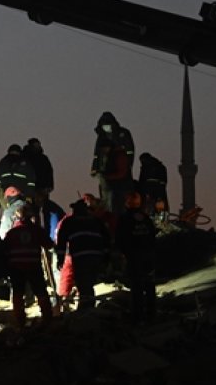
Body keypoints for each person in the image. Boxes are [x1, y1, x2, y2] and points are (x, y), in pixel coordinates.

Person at [2, 203, 55, 328]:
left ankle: (20, 321)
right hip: (34, 265)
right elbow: (49, 245)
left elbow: (4, 249)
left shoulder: (11, 232)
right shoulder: (36, 230)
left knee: (18, 294)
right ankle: (47, 317)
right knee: (40, 291)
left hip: (16, 268)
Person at [55, 199, 111, 311]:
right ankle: (88, 306)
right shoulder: (96, 221)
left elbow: (61, 242)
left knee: (83, 283)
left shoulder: (69, 222)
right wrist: (106, 258)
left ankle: (86, 309)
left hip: (80, 256)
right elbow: (107, 239)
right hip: (96, 256)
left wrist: (60, 259)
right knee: (88, 282)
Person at [115, 191, 158, 323]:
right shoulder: (146, 219)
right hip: (148, 258)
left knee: (137, 287)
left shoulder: (124, 219)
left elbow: (120, 239)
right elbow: (152, 237)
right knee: (149, 285)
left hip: (134, 258)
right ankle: (152, 314)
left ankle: (137, 316)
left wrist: (124, 254)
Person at [91, 111, 135, 215]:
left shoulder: (123, 134)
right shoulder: (101, 137)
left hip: (119, 177)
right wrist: (95, 168)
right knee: (107, 200)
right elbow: (97, 154)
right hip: (106, 174)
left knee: (118, 203)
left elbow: (130, 151)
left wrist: (127, 166)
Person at [23, 138, 54, 207]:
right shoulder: (25, 158)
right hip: (30, 189)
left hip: (42, 188)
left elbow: (49, 172)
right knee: (30, 209)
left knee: (45, 207)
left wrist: (49, 186)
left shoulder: (43, 158)